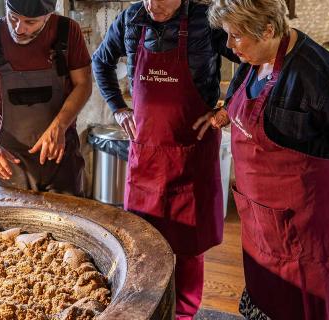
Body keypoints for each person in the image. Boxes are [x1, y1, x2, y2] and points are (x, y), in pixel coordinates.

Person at [205, 0, 329, 318]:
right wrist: (224, 114)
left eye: (235, 36)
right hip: (264, 226)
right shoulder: (255, 56)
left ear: (267, 30)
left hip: (312, 233)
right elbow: (241, 98)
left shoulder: (316, 75)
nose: (229, 45)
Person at [92, 0, 239, 318]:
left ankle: (185, 313)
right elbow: (101, 61)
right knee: (143, 242)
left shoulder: (206, 21)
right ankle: (146, 307)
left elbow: (251, 61)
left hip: (192, 154)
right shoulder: (131, 18)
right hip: (146, 155)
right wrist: (117, 106)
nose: (152, 4)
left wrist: (229, 109)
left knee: (188, 245)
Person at [0, 0, 92, 195]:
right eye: (13, 18)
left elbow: (83, 84)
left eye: (30, 22)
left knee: (67, 222)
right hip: (9, 161)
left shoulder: (67, 31)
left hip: (60, 155)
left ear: (48, 16)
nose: (19, 29)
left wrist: (59, 126)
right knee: (15, 222)